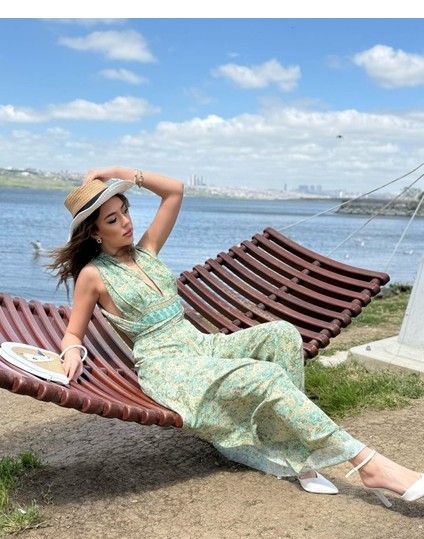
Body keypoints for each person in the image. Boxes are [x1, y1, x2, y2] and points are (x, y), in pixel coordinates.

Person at [49, 165, 424, 507]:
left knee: (282, 334)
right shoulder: (93, 276)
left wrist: (117, 171)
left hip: (200, 345)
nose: (126, 222)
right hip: (168, 368)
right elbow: (73, 332)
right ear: (94, 232)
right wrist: (72, 350)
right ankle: (369, 464)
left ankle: (295, 453)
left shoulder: (147, 252)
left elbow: (175, 190)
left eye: (125, 210)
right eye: (112, 219)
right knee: (265, 377)